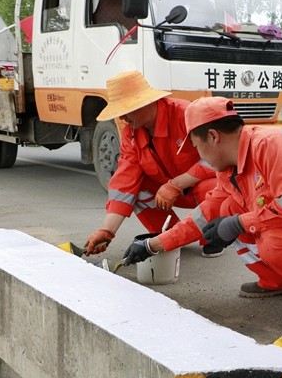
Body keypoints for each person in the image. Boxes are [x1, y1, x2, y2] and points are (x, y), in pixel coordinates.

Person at [123, 96, 282, 331]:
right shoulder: (230, 169)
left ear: (213, 136)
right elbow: (203, 217)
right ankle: (279, 282)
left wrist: (241, 222)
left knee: (268, 237)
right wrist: (152, 245)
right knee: (226, 210)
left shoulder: (271, 144)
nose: (199, 156)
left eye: (197, 147)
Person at [85, 71, 222, 258]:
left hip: (198, 187)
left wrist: (177, 184)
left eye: (126, 110)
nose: (123, 118)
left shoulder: (185, 114)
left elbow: (216, 157)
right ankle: (171, 235)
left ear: (145, 102)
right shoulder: (130, 133)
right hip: (167, 193)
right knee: (137, 190)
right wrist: (107, 231)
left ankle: (211, 236)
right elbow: (124, 183)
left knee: (212, 187)